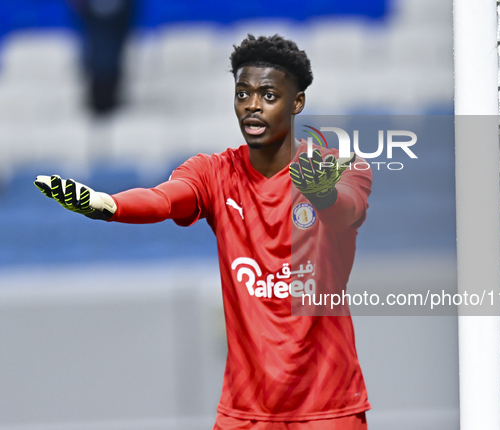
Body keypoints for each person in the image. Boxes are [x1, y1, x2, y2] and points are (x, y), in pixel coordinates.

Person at [35, 34, 373, 430]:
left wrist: (323, 195)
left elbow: (348, 211)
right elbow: (164, 199)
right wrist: (108, 206)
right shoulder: (213, 172)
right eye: (242, 93)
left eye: (268, 95)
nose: (251, 105)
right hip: (245, 412)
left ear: (296, 102)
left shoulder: (338, 166)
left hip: (328, 408)